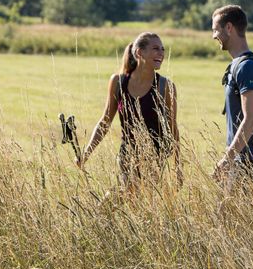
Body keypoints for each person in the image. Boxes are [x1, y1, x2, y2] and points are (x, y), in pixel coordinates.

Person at [77, 32, 181, 190]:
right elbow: (105, 121)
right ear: (140, 52)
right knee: (129, 193)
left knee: (131, 194)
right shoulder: (118, 82)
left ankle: (98, 213)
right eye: (155, 48)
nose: (161, 53)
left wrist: (178, 167)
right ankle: (98, 213)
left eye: (162, 49)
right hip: (127, 152)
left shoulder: (165, 86)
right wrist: (86, 153)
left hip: (155, 155)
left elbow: (173, 128)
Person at [211, 5, 253, 194]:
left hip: (249, 159)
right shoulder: (238, 65)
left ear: (229, 28)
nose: (213, 36)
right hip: (241, 157)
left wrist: (227, 159)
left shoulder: (247, 67)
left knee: (231, 218)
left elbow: (250, 120)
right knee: (229, 218)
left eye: (215, 30)